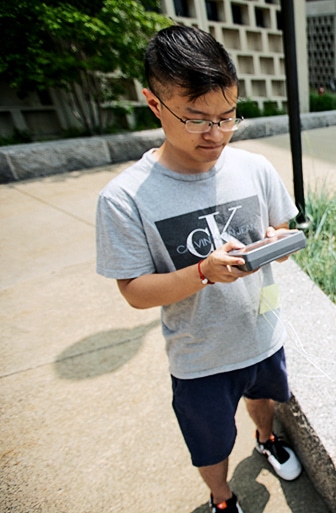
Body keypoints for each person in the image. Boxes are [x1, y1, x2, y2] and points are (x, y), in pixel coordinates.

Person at [95, 25, 302, 513]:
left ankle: (266, 440)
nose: (216, 134)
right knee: (209, 443)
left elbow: (282, 236)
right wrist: (203, 272)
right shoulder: (125, 198)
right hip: (199, 357)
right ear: (154, 104)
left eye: (228, 117)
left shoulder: (254, 167)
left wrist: (277, 243)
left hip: (262, 331)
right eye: (196, 119)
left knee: (264, 399)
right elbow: (136, 292)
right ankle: (222, 498)